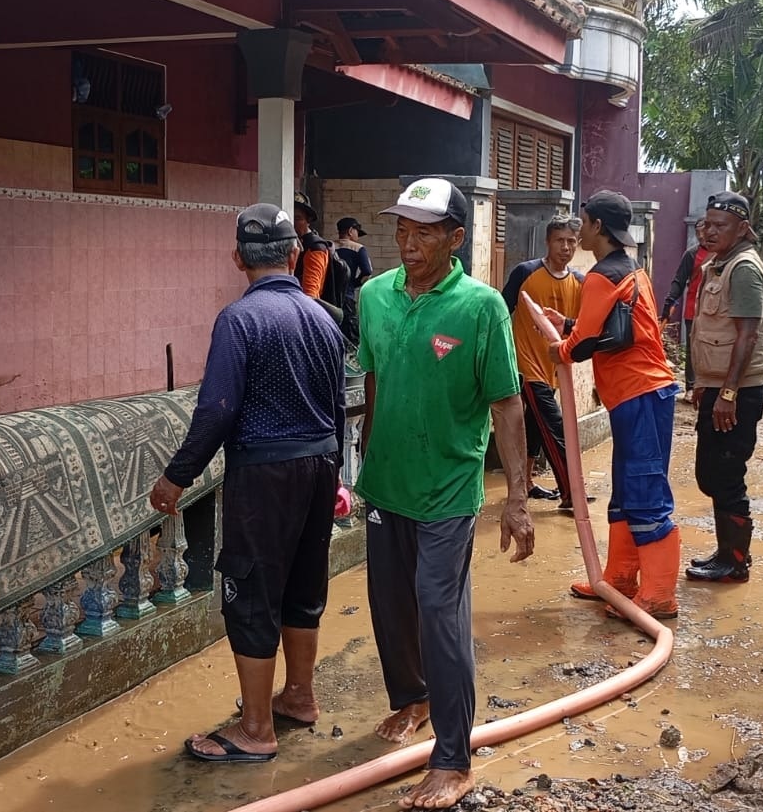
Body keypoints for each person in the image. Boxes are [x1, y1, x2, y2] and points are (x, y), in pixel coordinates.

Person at [355, 178, 535, 810]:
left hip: (448, 491)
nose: (409, 243)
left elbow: (507, 405)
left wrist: (517, 498)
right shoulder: (372, 296)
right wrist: (363, 464)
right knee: (390, 606)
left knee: (440, 612)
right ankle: (413, 699)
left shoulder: (481, 308)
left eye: (425, 233)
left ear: (456, 238)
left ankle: (454, 758)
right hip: (386, 485)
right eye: (402, 230)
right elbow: (375, 382)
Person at [151, 202, 347, 763]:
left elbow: (216, 409)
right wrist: (335, 473)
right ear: (294, 254)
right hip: (319, 464)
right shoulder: (324, 318)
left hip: (265, 473)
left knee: (252, 592)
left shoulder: (240, 320)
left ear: (238, 258)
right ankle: (300, 697)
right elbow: (336, 405)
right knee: (304, 585)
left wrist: (176, 477)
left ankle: (256, 729)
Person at [545, 191, 683, 620]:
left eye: (583, 222)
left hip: (639, 393)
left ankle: (659, 595)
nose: (578, 230)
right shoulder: (631, 269)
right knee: (625, 491)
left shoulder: (601, 276)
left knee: (644, 491)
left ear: (598, 227)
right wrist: (568, 325)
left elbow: (584, 344)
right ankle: (620, 580)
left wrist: (560, 348)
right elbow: (615, 329)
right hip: (640, 394)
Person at [684, 191, 763, 584]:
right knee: (712, 473)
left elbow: (747, 336)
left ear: (742, 228)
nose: (710, 231)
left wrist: (729, 393)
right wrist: (706, 383)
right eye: (708, 223)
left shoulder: (744, 268)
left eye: (721, 225)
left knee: (726, 474)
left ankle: (735, 562)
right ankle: (727, 554)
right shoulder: (718, 264)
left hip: (738, 391)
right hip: (718, 387)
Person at [501, 214, 585, 507]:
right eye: (560, 240)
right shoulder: (525, 272)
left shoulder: (579, 282)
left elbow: (581, 326)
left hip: (555, 368)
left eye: (571, 241)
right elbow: (501, 310)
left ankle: (526, 482)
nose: (565, 247)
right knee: (555, 426)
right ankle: (571, 492)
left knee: (535, 426)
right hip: (526, 366)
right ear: (548, 241)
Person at [663, 243, 712, 402]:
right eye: (699, 232)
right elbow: (679, 280)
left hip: (716, 310)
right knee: (693, 349)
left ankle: (711, 387)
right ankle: (691, 387)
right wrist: (669, 302)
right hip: (694, 309)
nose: (704, 235)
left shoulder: (726, 252)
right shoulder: (692, 254)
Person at [292, 192, 348, 323]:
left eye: (298, 218)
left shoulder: (315, 248)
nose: (293, 222)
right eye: (291, 217)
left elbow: (310, 294)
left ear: (308, 221)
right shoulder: (297, 243)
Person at [336, 216, 374, 343]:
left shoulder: (329, 246)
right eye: (357, 232)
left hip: (327, 298)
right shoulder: (358, 248)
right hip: (347, 298)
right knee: (350, 336)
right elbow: (367, 272)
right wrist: (353, 284)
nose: (358, 236)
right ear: (350, 231)